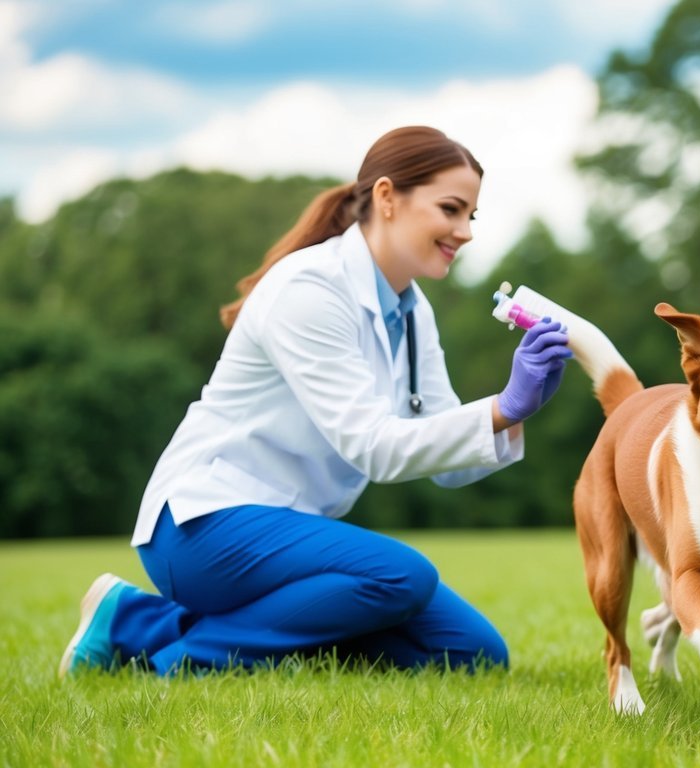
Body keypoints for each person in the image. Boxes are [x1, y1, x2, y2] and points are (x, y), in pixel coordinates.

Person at [59, 126, 572, 677]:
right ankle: (170, 663)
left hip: (284, 538)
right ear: (386, 198)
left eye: (472, 215)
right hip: (200, 526)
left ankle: (133, 621)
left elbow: (445, 459)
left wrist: (518, 413)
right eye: (451, 209)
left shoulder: (413, 309)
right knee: (404, 575)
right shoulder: (309, 289)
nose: (464, 231)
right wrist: (502, 407)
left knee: (471, 654)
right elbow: (373, 449)